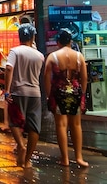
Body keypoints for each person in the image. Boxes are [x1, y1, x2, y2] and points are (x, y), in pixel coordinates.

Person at [44, 29, 89, 168]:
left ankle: (65, 158)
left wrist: (48, 95)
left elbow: (46, 77)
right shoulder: (79, 56)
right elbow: (84, 78)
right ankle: (79, 157)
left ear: (58, 42)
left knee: (61, 125)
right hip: (75, 91)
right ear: (71, 41)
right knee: (76, 125)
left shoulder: (53, 56)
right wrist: (81, 93)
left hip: (59, 92)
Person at [3, 23, 44, 168]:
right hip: (35, 93)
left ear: (19, 36)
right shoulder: (39, 55)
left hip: (18, 92)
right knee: (34, 127)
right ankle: (27, 161)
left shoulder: (15, 51)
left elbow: (9, 68)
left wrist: (7, 90)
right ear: (32, 37)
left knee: (14, 121)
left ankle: (20, 144)